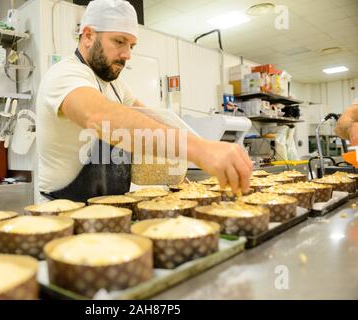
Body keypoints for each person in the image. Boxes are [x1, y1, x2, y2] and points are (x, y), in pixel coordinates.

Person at [36, 0, 252, 202]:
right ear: (88, 35)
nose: (127, 54)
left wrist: (202, 151)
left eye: (132, 46)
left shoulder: (116, 86)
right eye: (119, 41)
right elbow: (100, 117)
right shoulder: (65, 74)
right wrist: (200, 150)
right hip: (63, 215)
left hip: (111, 210)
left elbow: (155, 120)